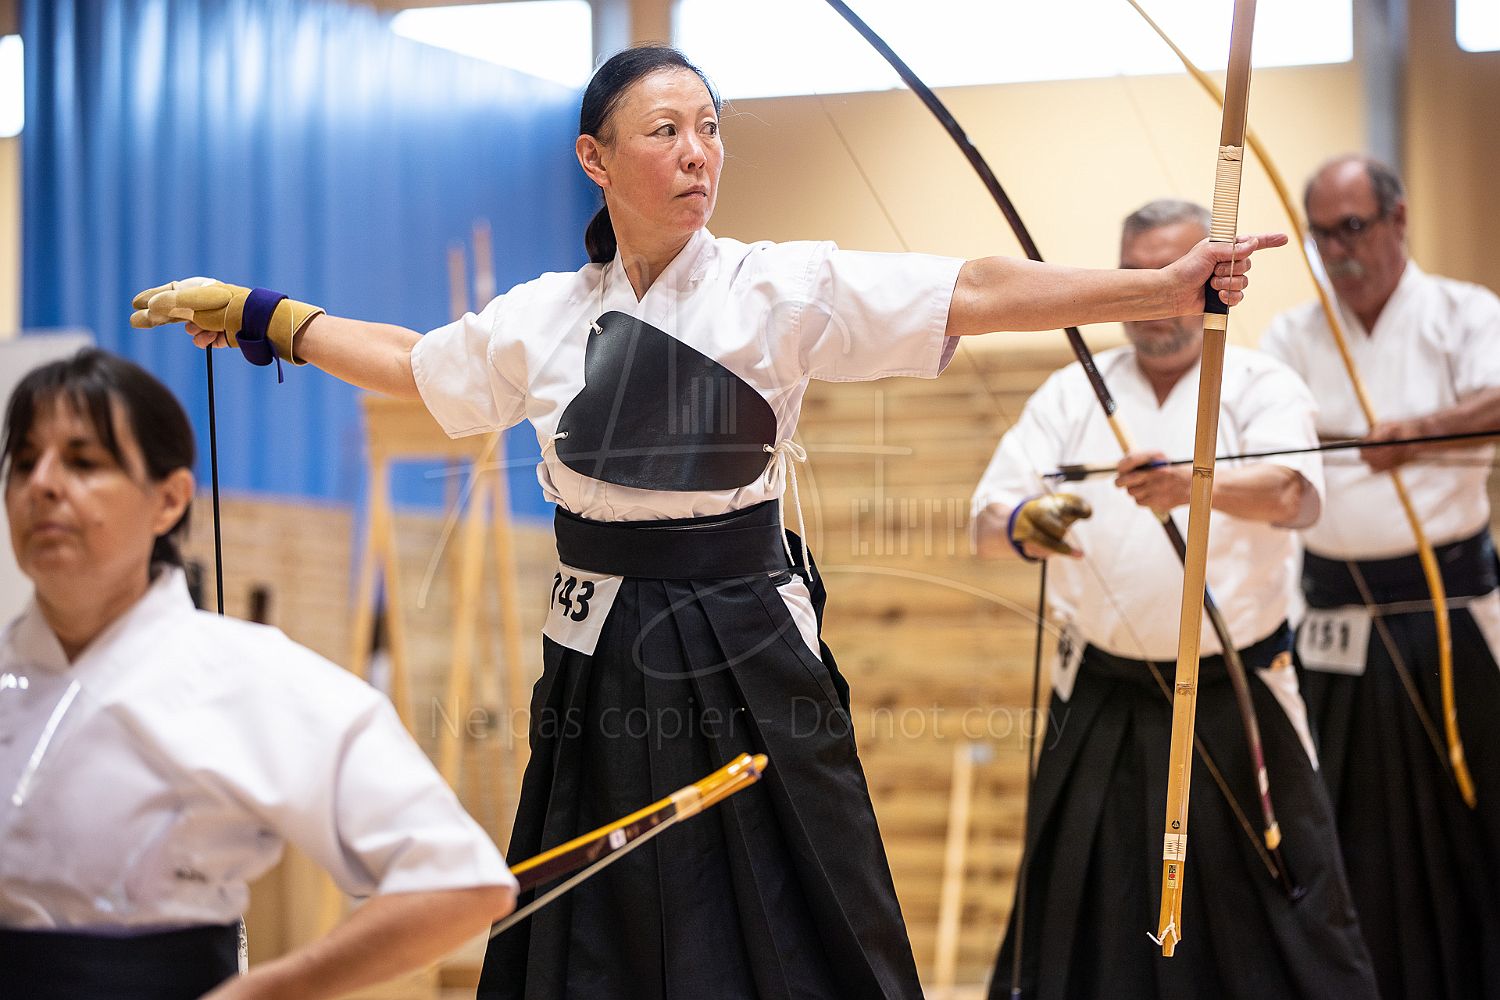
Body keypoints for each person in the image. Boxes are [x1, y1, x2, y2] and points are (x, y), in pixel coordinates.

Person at [129, 46, 1285, 1000]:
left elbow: (969, 289)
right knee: (598, 904)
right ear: (595, 159)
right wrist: (271, 316)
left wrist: (1160, 290)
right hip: (597, 647)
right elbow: (414, 364)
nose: (698, 152)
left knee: (805, 892)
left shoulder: (777, 286)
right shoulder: (544, 317)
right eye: (666, 130)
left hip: (746, 635)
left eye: (711, 128)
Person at [0, 349, 517, 1000]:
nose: (43, 484)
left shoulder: (245, 675)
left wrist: (269, 990)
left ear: (169, 500)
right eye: (24, 462)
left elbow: (461, 881)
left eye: (83, 462)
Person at [971, 200, 1377, 999]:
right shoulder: (1073, 391)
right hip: (1103, 696)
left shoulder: (1259, 382)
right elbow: (989, 521)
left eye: (1174, 273)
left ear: (1213, 279)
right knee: (1087, 924)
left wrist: (1195, 484)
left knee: (1281, 921)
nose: (1157, 296)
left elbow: (1293, 494)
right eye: (1140, 275)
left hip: (1236, 693)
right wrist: (1027, 524)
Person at [1261, 154, 1500, 1000]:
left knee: (1469, 822)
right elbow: (1267, 434)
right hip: (1330, 622)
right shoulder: (1293, 335)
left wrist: (1417, 433)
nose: (1338, 250)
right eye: (1322, 235)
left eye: (1353, 228)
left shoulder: (1465, 314)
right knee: (1338, 829)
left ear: (1398, 220)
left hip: (1449, 613)